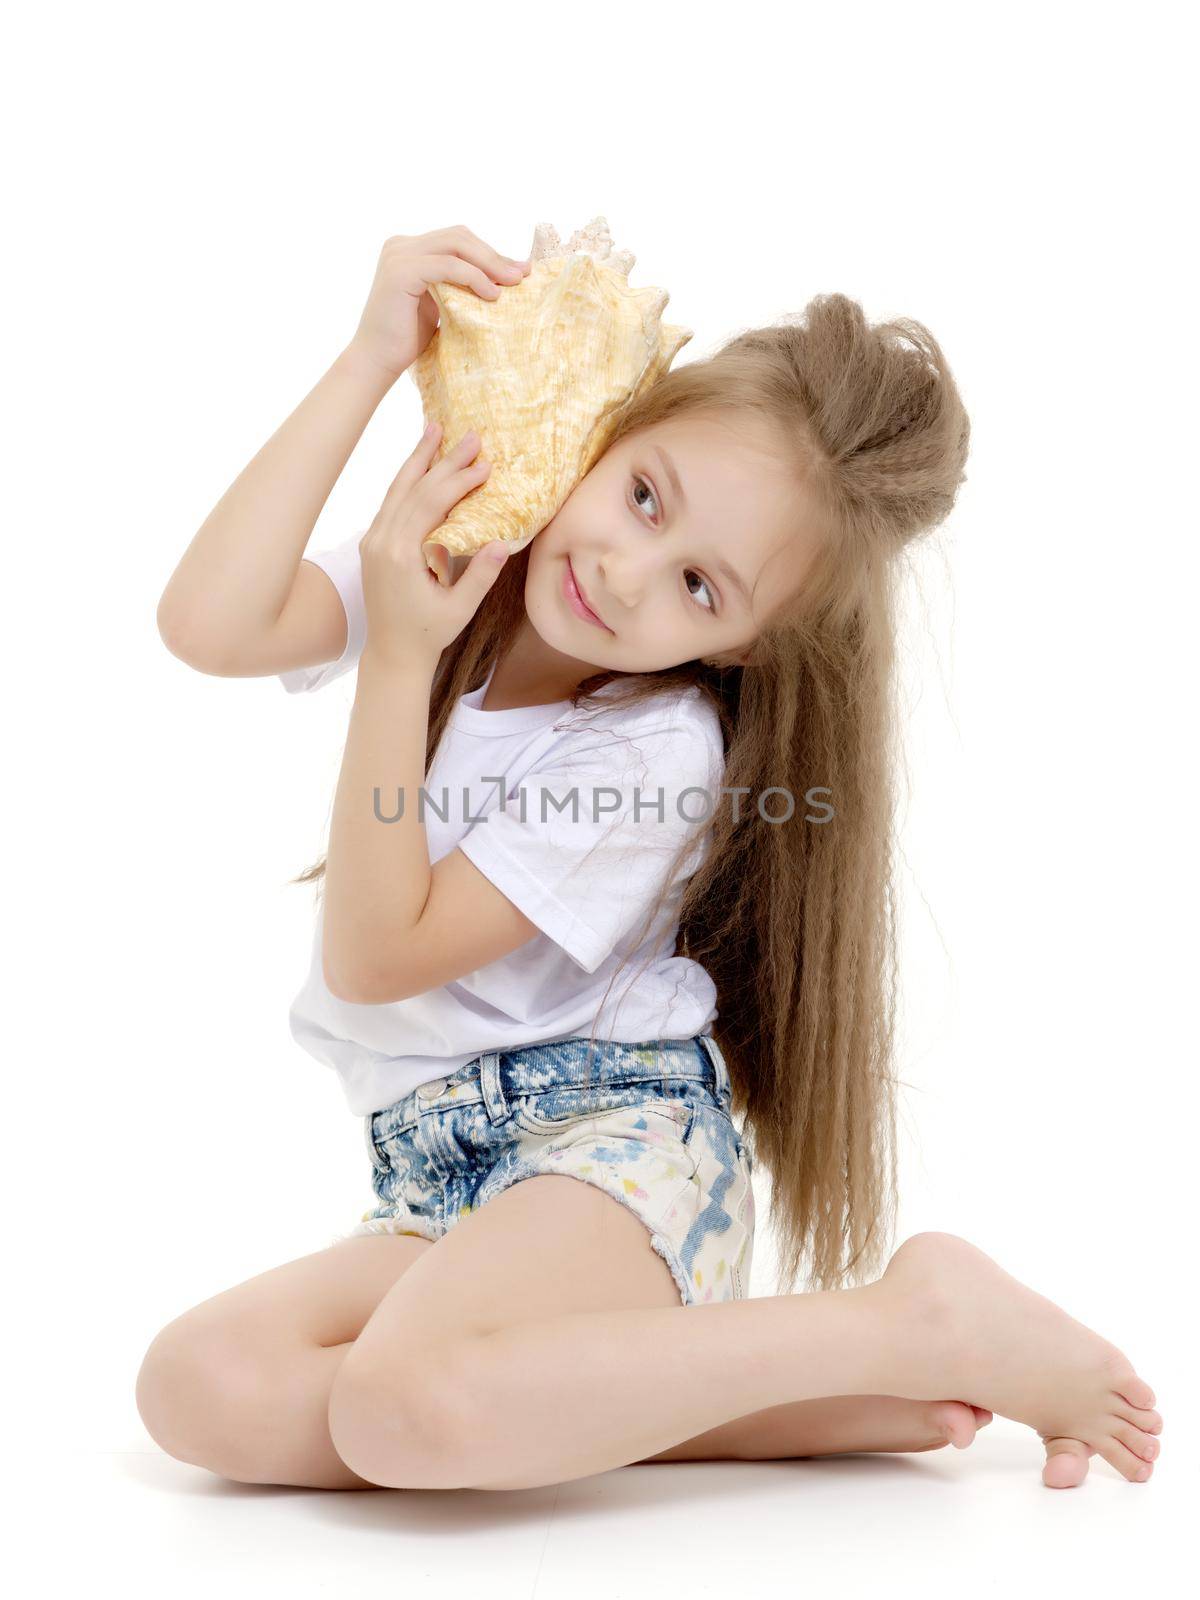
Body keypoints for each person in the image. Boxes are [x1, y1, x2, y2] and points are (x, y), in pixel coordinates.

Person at [136, 224, 1161, 1496]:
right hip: (442, 1165)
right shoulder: (478, 565)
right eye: (642, 495)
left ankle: (910, 1320)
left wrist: (401, 650)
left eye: (699, 586)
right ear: (614, 428)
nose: (623, 577)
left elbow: (377, 953)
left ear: (739, 648)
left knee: (401, 1411)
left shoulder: (653, 747)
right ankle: (708, 1394)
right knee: (199, 1389)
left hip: (611, 1152)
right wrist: (367, 361)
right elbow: (209, 620)